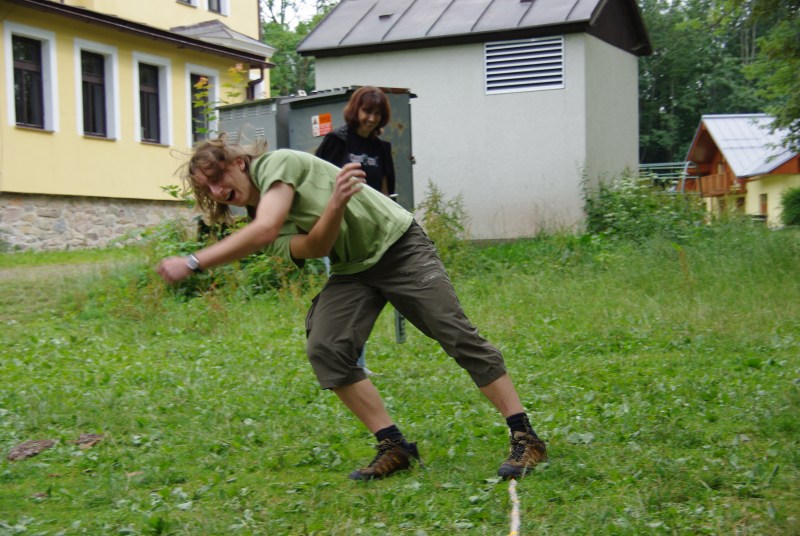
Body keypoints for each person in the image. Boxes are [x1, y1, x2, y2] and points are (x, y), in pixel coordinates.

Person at [156, 137, 547, 480]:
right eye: (209, 187)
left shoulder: (278, 164)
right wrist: (336, 205)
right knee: (326, 346)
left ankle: (525, 435)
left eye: (219, 176)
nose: (219, 189)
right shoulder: (260, 224)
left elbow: (268, 227)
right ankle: (394, 446)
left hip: (399, 245)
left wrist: (193, 261)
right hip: (352, 269)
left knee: (453, 332)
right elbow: (316, 248)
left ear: (239, 163)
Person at [315, 86, 398, 373]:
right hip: (337, 230)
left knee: (367, 298)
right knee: (344, 297)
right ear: (355, 111)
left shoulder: (382, 149)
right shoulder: (337, 141)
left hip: (370, 232)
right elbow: (316, 182)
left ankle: (357, 362)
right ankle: (347, 361)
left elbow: (387, 194)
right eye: (367, 111)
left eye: (377, 113)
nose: (371, 118)